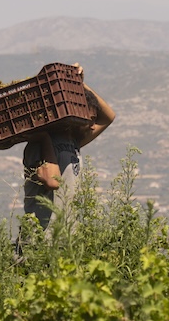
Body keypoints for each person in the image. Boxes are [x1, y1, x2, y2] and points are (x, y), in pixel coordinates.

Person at [21, 64, 116, 234]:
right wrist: (44, 138)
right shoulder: (38, 144)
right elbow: (53, 181)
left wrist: (80, 84)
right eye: (90, 119)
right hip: (41, 239)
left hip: (66, 238)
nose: (93, 126)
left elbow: (109, 117)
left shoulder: (74, 143)